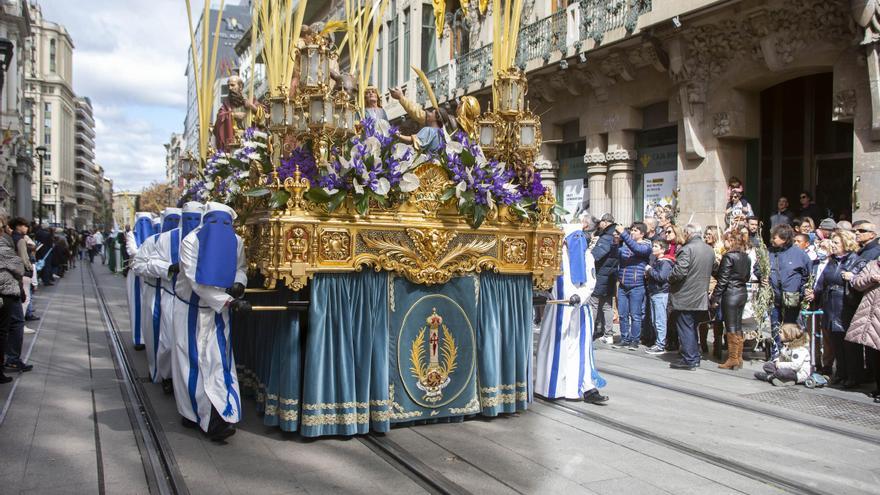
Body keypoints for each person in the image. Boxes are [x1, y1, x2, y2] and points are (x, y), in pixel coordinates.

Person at [172, 202, 249, 441]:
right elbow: (197, 281)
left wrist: (239, 283)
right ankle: (191, 412)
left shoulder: (236, 241)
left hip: (218, 312)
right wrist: (228, 301)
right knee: (191, 363)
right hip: (191, 311)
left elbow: (241, 267)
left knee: (218, 362)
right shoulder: (190, 242)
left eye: (225, 222)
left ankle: (219, 417)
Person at [535, 223, 607, 404]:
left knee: (579, 351)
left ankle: (585, 388)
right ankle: (551, 389)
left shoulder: (586, 256)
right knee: (554, 349)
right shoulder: (553, 257)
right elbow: (544, 280)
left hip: (578, 311)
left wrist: (579, 297)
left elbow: (590, 282)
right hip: (557, 310)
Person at [131, 207, 181, 389]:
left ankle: (173, 377)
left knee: (173, 342)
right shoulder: (152, 241)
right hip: (154, 294)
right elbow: (137, 265)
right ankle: (159, 373)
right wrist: (165, 269)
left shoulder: (189, 241)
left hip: (175, 297)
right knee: (156, 339)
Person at [810, 230, 866, 388]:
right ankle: (840, 373)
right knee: (836, 343)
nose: (832, 245)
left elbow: (859, 284)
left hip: (845, 305)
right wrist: (814, 293)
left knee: (849, 344)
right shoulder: (832, 261)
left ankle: (853, 376)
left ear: (845, 244)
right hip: (830, 305)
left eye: (836, 243)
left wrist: (851, 277)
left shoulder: (856, 261)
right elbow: (823, 281)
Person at [759, 224, 811, 359]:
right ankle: (776, 353)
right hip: (773, 296)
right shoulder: (768, 252)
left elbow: (808, 275)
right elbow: (758, 268)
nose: (772, 240)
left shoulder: (800, 255)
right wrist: (762, 278)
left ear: (784, 239)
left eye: (774, 238)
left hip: (792, 297)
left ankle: (790, 354)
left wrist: (802, 290)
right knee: (775, 325)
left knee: (789, 326)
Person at [668, 224, 715, 370]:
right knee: (691, 327)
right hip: (699, 295)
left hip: (686, 295)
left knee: (686, 327)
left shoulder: (687, 249)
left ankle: (690, 359)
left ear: (688, 233)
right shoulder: (709, 249)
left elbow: (679, 273)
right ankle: (693, 356)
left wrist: (669, 277)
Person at [711, 230, 752, 370]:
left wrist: (715, 297)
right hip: (742, 292)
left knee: (731, 326)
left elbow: (723, 280)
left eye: (726, 240)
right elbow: (747, 277)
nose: (724, 243)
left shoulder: (729, 257)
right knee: (738, 325)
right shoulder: (746, 257)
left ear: (732, 241)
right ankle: (738, 357)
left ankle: (733, 358)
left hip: (731, 293)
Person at [612, 221, 651, 350]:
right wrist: (615, 242)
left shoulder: (646, 245)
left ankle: (635, 340)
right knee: (622, 314)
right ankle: (624, 338)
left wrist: (623, 233)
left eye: (635, 230)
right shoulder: (626, 245)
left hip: (637, 286)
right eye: (632, 230)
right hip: (623, 284)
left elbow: (637, 249)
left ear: (642, 234)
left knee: (635, 315)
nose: (632, 232)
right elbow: (616, 255)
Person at [847, 259, 880, 401]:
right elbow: (857, 283)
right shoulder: (873, 265)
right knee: (873, 353)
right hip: (870, 315)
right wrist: (871, 278)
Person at [0, 216, 27, 380]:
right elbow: (18, 267)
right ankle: (5, 366)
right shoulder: (3, 246)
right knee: (3, 330)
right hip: (5, 291)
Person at [588, 213, 619, 344]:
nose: (599, 224)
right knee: (607, 305)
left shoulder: (606, 237)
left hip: (602, 275)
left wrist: (589, 252)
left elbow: (596, 255)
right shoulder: (614, 235)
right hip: (610, 274)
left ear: (606, 222)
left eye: (601, 221)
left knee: (594, 304)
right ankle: (608, 333)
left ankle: (589, 331)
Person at [126, 213, 154, 351]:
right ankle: (138, 338)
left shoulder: (156, 234)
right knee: (136, 305)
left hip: (149, 274)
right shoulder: (131, 234)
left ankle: (149, 338)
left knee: (149, 306)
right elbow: (132, 251)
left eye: (147, 221)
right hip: (136, 275)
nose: (144, 225)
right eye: (142, 221)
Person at [645, 239, 674, 354]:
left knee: (660, 320)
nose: (653, 248)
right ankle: (658, 342)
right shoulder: (658, 261)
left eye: (656, 246)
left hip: (661, 293)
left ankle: (661, 344)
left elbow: (662, 277)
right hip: (654, 292)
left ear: (663, 249)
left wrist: (650, 270)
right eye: (653, 246)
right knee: (654, 319)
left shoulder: (665, 262)